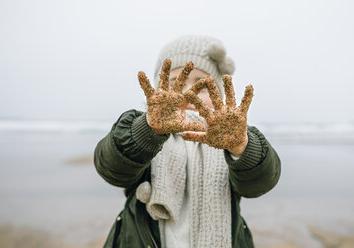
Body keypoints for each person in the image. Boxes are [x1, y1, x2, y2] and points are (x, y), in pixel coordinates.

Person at [94, 34, 281, 248]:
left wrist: (241, 147)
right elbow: (110, 166)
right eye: (176, 83)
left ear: (218, 94)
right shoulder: (143, 131)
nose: (187, 93)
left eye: (201, 86)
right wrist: (147, 131)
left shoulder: (234, 139)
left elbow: (261, 182)